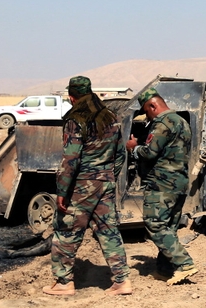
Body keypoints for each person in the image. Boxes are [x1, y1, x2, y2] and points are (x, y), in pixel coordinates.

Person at [43, 76, 132, 296]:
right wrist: (107, 176)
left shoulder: (75, 120)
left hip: (81, 186)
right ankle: (122, 281)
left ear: (72, 97)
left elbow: (70, 160)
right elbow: (120, 154)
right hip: (106, 182)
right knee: (108, 230)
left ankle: (63, 282)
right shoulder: (110, 117)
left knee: (67, 231)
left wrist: (62, 191)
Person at [126, 87, 198, 285]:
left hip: (162, 183)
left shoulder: (163, 123)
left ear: (152, 105)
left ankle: (184, 263)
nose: (147, 116)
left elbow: (150, 152)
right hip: (178, 181)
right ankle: (165, 270)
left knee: (155, 224)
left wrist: (134, 148)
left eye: (146, 112)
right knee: (169, 227)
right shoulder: (182, 121)